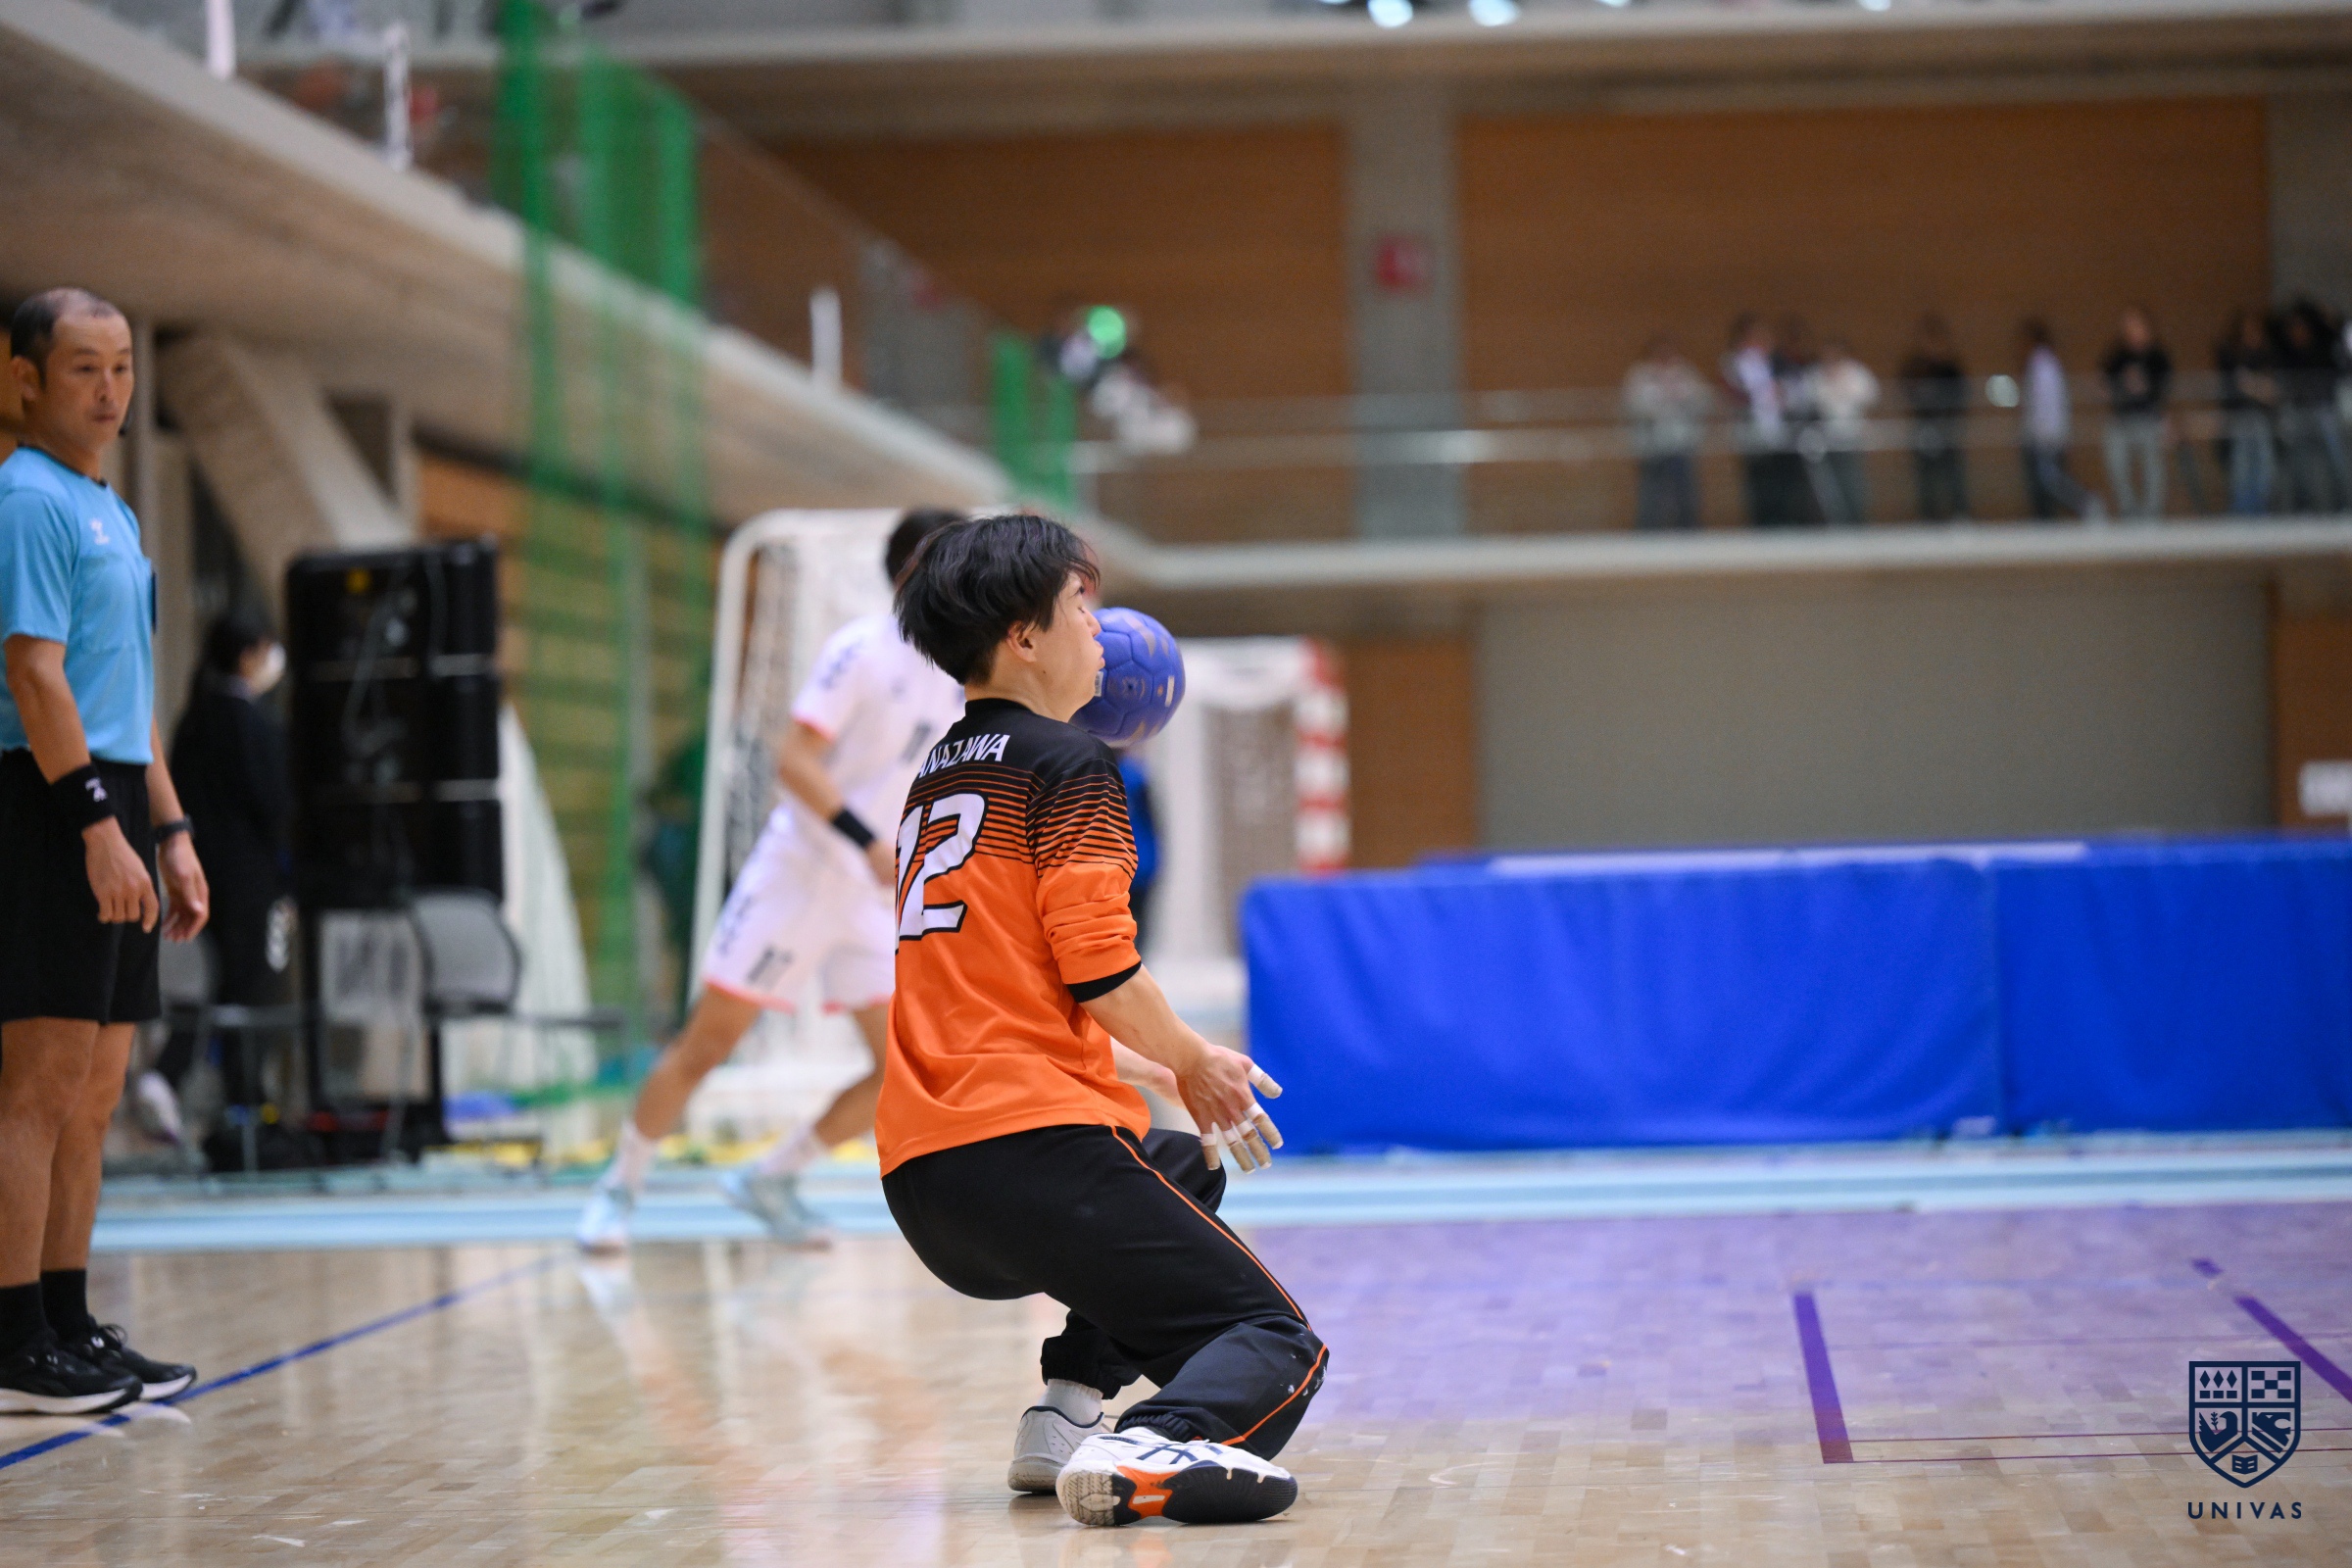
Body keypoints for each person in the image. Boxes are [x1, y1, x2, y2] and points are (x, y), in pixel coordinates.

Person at [880, 514, 1321, 1528]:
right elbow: (1100, 967)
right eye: (1081, 605)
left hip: (928, 1184)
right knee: (1275, 1342)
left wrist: (1144, 1067)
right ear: (1023, 637)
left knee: (1183, 1163)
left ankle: (1066, 1415)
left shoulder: (935, 774)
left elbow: (988, 978)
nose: (1100, 628)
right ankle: (1152, 1441)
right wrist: (1194, 1057)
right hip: (1034, 1159)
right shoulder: (1069, 764)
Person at [577, 510, 969, 1252]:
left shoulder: (962, 671)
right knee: (707, 1043)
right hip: (801, 873)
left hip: (870, 896)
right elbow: (792, 759)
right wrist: (866, 842)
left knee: (906, 1067)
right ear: (914, 571)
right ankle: (618, 1188)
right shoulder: (860, 650)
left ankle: (773, 1176)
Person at [0, 288, 205, 1414]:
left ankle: (67, 1320)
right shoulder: (27, 500)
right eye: (85, 367)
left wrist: (168, 830)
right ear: (25, 378)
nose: (110, 389)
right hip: (48, 800)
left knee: (95, 1089)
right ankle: (12, 1340)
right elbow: (37, 677)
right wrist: (94, 825)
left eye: (122, 366)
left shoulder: (109, 509)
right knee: (37, 1085)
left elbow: (130, 701)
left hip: (117, 792)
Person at [144, 611, 294, 1147]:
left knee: (203, 988)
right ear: (250, 655)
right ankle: (244, 1108)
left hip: (196, 875)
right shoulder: (254, 725)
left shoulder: (193, 720)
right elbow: (276, 807)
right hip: (250, 885)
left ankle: (172, 1078)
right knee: (248, 989)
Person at [1622, 335, 1711, 531]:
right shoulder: (1640, 375)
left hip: (1681, 443)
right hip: (1652, 446)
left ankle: (1689, 533)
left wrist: (1681, 395)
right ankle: (1648, 535)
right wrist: (1662, 400)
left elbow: (1703, 399)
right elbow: (1634, 405)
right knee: (1651, 495)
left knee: (1685, 493)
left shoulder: (1685, 372)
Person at [2018, 318, 2102, 522]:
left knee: (2050, 479)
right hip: (2042, 433)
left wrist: (2045, 432)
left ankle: (2086, 503)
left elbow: (2048, 403)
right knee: (2046, 479)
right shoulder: (2040, 364)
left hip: (2046, 434)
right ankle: (2048, 518)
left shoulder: (2044, 366)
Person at [2099, 305, 2173, 520]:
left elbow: (2164, 391)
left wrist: (2145, 387)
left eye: (2136, 324)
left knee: (2153, 467)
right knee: (2116, 462)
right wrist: (2121, 386)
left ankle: (2152, 515)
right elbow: (2103, 383)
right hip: (2122, 420)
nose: (2132, 330)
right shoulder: (2117, 355)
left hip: (2149, 419)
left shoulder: (2158, 356)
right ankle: (2128, 511)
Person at [2277, 300, 2349, 514]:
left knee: (2336, 457)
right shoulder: (2288, 351)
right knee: (2300, 460)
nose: (2297, 332)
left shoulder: (2323, 344)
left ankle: (2345, 503)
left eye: (2301, 326)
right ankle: (2305, 505)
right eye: (2293, 328)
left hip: (2324, 409)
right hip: (2299, 410)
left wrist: (2324, 315)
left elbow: (2340, 331)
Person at [1723, 315, 1793, 527]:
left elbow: (1792, 388)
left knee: (1782, 481)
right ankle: (1763, 524)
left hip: (1779, 431)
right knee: (1759, 482)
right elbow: (1737, 394)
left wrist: (1782, 393)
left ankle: (1784, 521)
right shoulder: (1736, 363)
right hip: (1753, 433)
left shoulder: (1777, 361)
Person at [1899, 315, 1970, 521]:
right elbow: (1906, 390)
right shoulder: (1916, 367)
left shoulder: (1950, 368)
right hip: (1924, 427)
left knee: (1952, 471)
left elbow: (1961, 394)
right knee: (1926, 474)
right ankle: (1929, 516)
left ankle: (1960, 514)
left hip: (1948, 427)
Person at [2214, 309, 2281, 517]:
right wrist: (2256, 386)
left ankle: (2261, 510)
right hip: (2238, 417)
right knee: (2242, 463)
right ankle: (2241, 512)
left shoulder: (2268, 355)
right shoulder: (2231, 355)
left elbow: (2272, 392)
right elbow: (2236, 385)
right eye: (2246, 330)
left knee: (2265, 463)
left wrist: (2253, 385)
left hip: (2263, 418)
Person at [1807, 339, 1879, 526]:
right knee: (1828, 483)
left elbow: (1869, 400)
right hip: (1826, 438)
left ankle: (1857, 520)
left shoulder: (1857, 373)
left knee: (1852, 479)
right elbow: (1811, 401)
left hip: (1852, 436)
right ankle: (1835, 522)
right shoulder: (1816, 375)